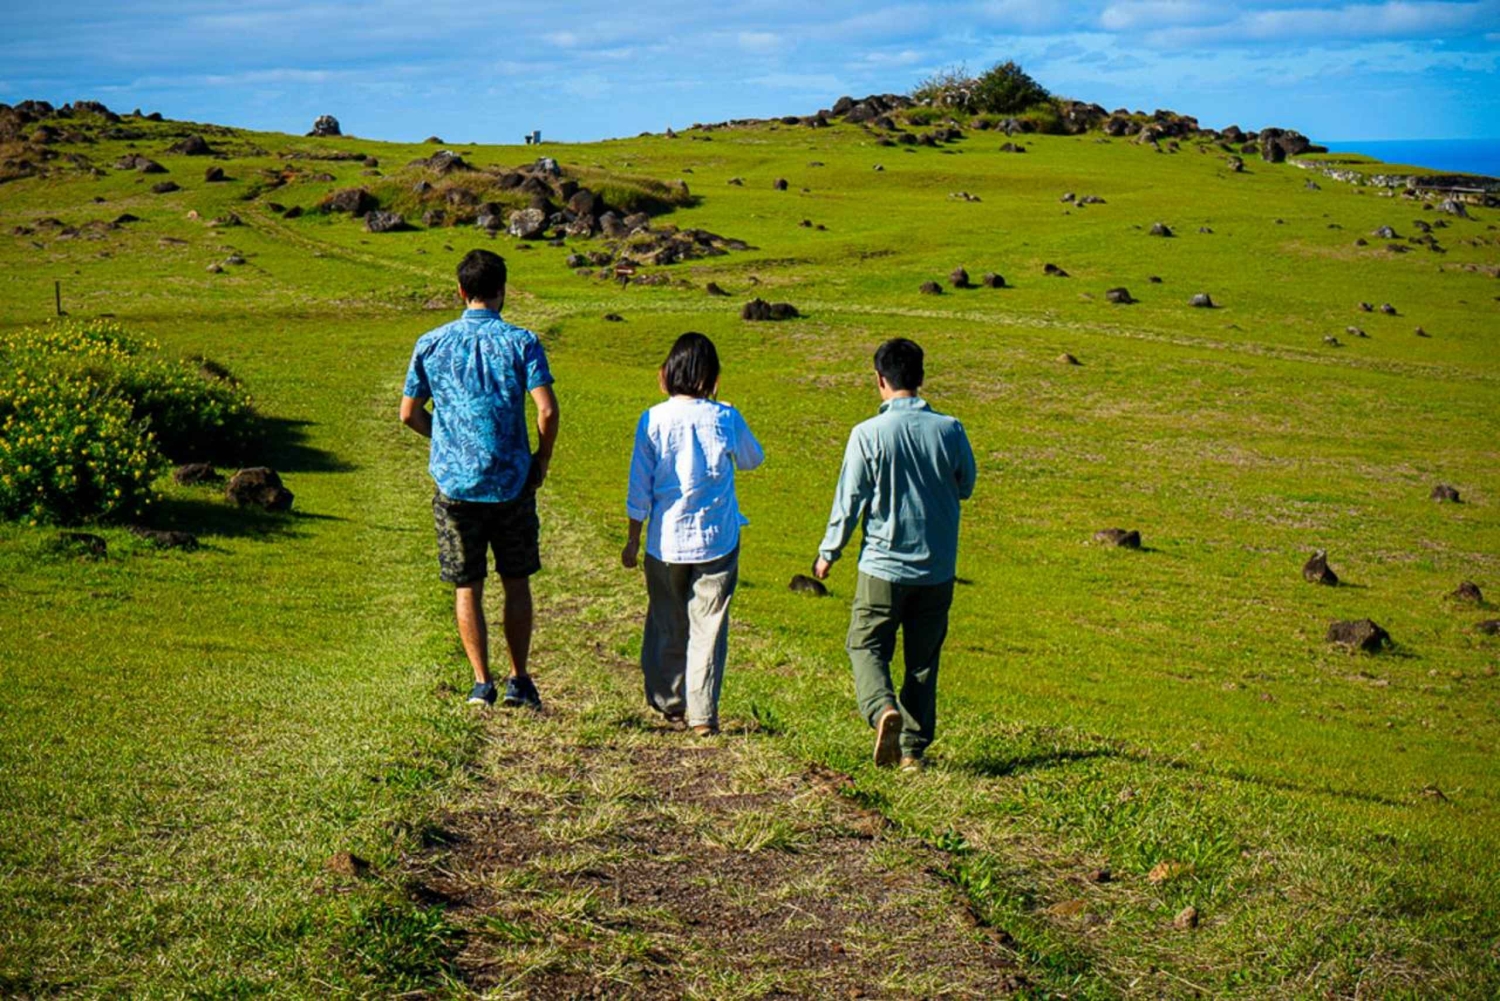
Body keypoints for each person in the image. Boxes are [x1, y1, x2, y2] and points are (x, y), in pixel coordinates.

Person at [400, 249, 559, 709]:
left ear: (460, 291)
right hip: (511, 481)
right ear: (503, 290)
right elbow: (547, 409)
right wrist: (541, 460)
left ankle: (480, 683)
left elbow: (408, 413)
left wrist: (446, 439)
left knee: (467, 584)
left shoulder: (431, 343)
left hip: (456, 485)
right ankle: (519, 680)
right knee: (516, 580)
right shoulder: (521, 342)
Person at [814, 338, 975, 771]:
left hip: (882, 566)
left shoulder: (867, 434)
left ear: (880, 380)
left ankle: (882, 708)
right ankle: (912, 752)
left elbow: (849, 501)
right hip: (936, 568)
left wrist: (828, 553)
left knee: (865, 644)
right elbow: (966, 485)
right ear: (920, 377)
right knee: (922, 662)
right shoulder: (951, 429)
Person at [622, 333, 764, 736]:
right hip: (717, 537)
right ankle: (703, 715)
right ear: (712, 376)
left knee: (667, 621)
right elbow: (753, 459)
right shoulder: (725, 417)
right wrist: (727, 410)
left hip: (666, 540)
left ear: (668, 372)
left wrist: (633, 538)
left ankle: (670, 700)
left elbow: (639, 486)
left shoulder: (652, 419)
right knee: (708, 627)